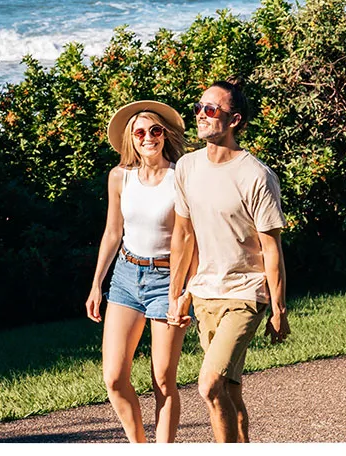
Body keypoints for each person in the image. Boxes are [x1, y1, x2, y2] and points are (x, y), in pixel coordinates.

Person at [164, 80, 287, 443]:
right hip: (205, 295)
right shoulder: (186, 167)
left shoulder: (256, 175)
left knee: (209, 385)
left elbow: (271, 248)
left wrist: (279, 309)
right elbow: (184, 236)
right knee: (230, 392)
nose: (201, 115)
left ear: (233, 120)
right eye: (199, 108)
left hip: (245, 294)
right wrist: (179, 293)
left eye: (211, 110)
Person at [85, 99, 190, 443]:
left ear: (165, 135)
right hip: (126, 278)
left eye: (155, 130)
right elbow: (113, 231)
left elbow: (192, 239)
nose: (149, 137)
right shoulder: (120, 177)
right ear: (130, 138)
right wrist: (97, 283)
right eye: (140, 132)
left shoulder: (181, 177)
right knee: (114, 378)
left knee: (162, 379)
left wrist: (184, 291)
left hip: (167, 281)